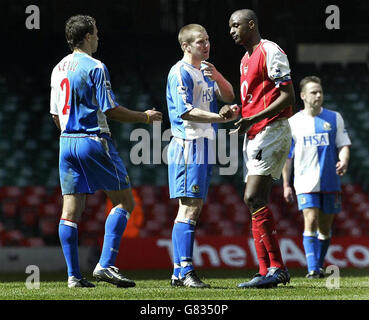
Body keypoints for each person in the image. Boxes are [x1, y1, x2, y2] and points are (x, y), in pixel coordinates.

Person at [50, 15, 162, 288]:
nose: (99, 37)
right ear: (87, 35)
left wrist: (70, 134)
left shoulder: (57, 68)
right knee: (125, 202)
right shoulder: (96, 67)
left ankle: (74, 277)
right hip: (92, 139)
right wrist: (145, 117)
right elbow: (110, 109)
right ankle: (106, 264)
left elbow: (55, 114)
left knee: (70, 211)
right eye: (96, 33)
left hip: (66, 141)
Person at [224, 9, 295, 288]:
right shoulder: (244, 60)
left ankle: (277, 267)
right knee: (253, 201)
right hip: (254, 133)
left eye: (236, 25)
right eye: (230, 26)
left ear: (251, 24)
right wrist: (237, 111)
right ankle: (265, 269)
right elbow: (255, 100)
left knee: (253, 195)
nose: (231, 30)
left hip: (272, 130)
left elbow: (287, 95)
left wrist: (254, 117)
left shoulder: (271, 51)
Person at [166, 24, 236, 288]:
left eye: (207, 40)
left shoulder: (205, 70)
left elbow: (228, 94)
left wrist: (217, 75)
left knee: (192, 208)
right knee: (189, 207)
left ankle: (178, 272)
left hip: (205, 143)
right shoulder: (180, 72)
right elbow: (185, 111)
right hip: (189, 143)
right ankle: (185, 271)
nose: (206, 45)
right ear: (186, 46)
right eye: (199, 42)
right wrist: (219, 117)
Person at [282, 76, 351, 278]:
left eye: (320, 91)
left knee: (325, 227)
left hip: (330, 180)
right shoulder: (293, 123)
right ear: (303, 95)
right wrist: (286, 184)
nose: (318, 95)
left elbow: (344, 144)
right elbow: (288, 157)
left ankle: (318, 266)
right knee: (310, 220)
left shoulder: (334, 117)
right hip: (305, 181)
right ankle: (312, 269)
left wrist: (344, 160)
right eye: (314, 92)